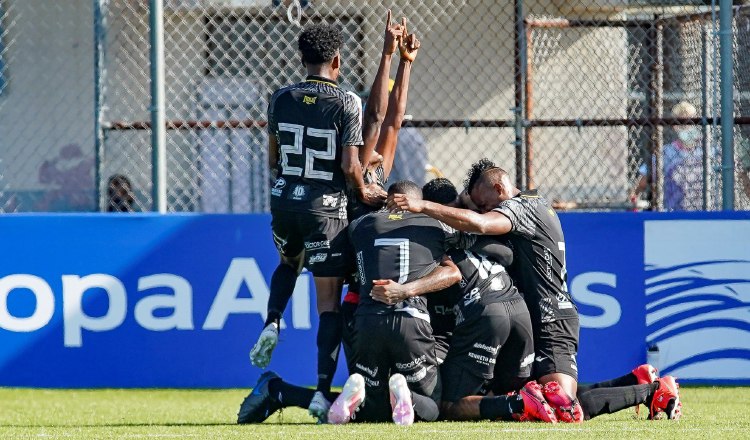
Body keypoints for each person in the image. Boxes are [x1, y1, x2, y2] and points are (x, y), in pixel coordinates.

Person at [389, 163, 682, 422]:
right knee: (548, 394)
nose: (482, 210)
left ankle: (654, 391)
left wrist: (422, 206)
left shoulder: (523, 207)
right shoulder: (528, 205)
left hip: (552, 318)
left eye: (483, 203)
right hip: (536, 317)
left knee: (565, 407)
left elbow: (478, 224)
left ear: (499, 187)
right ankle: (634, 379)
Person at [247, 21, 387, 422]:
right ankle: (322, 393)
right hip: (324, 208)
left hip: (283, 202)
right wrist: (363, 189)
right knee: (328, 305)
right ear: (338, 61)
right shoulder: (346, 102)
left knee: (287, 263)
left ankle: (273, 320)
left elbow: (273, 158)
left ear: (301, 58)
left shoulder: (279, 98)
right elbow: (349, 166)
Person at [328, 180, 474, 426]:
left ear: (388, 199)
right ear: (416, 202)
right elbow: (454, 272)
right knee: (433, 406)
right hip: (410, 321)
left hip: (367, 321)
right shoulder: (437, 226)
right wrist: (407, 290)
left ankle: (358, 392)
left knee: (374, 411)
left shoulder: (360, 225)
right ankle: (410, 396)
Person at [630, 101, 705, 211]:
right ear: (675, 126)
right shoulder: (666, 153)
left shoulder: (707, 152)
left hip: (705, 211)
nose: (688, 127)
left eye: (691, 122)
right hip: (673, 212)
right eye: (682, 123)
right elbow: (642, 182)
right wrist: (633, 199)